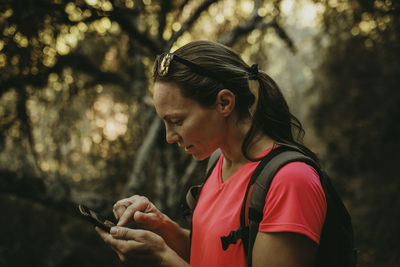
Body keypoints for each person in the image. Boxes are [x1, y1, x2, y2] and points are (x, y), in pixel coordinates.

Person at [96, 40, 327, 267]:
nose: (170, 137)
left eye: (177, 121)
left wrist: (162, 257)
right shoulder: (217, 162)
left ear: (224, 103)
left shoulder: (291, 181)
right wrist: (162, 226)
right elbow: (211, 254)